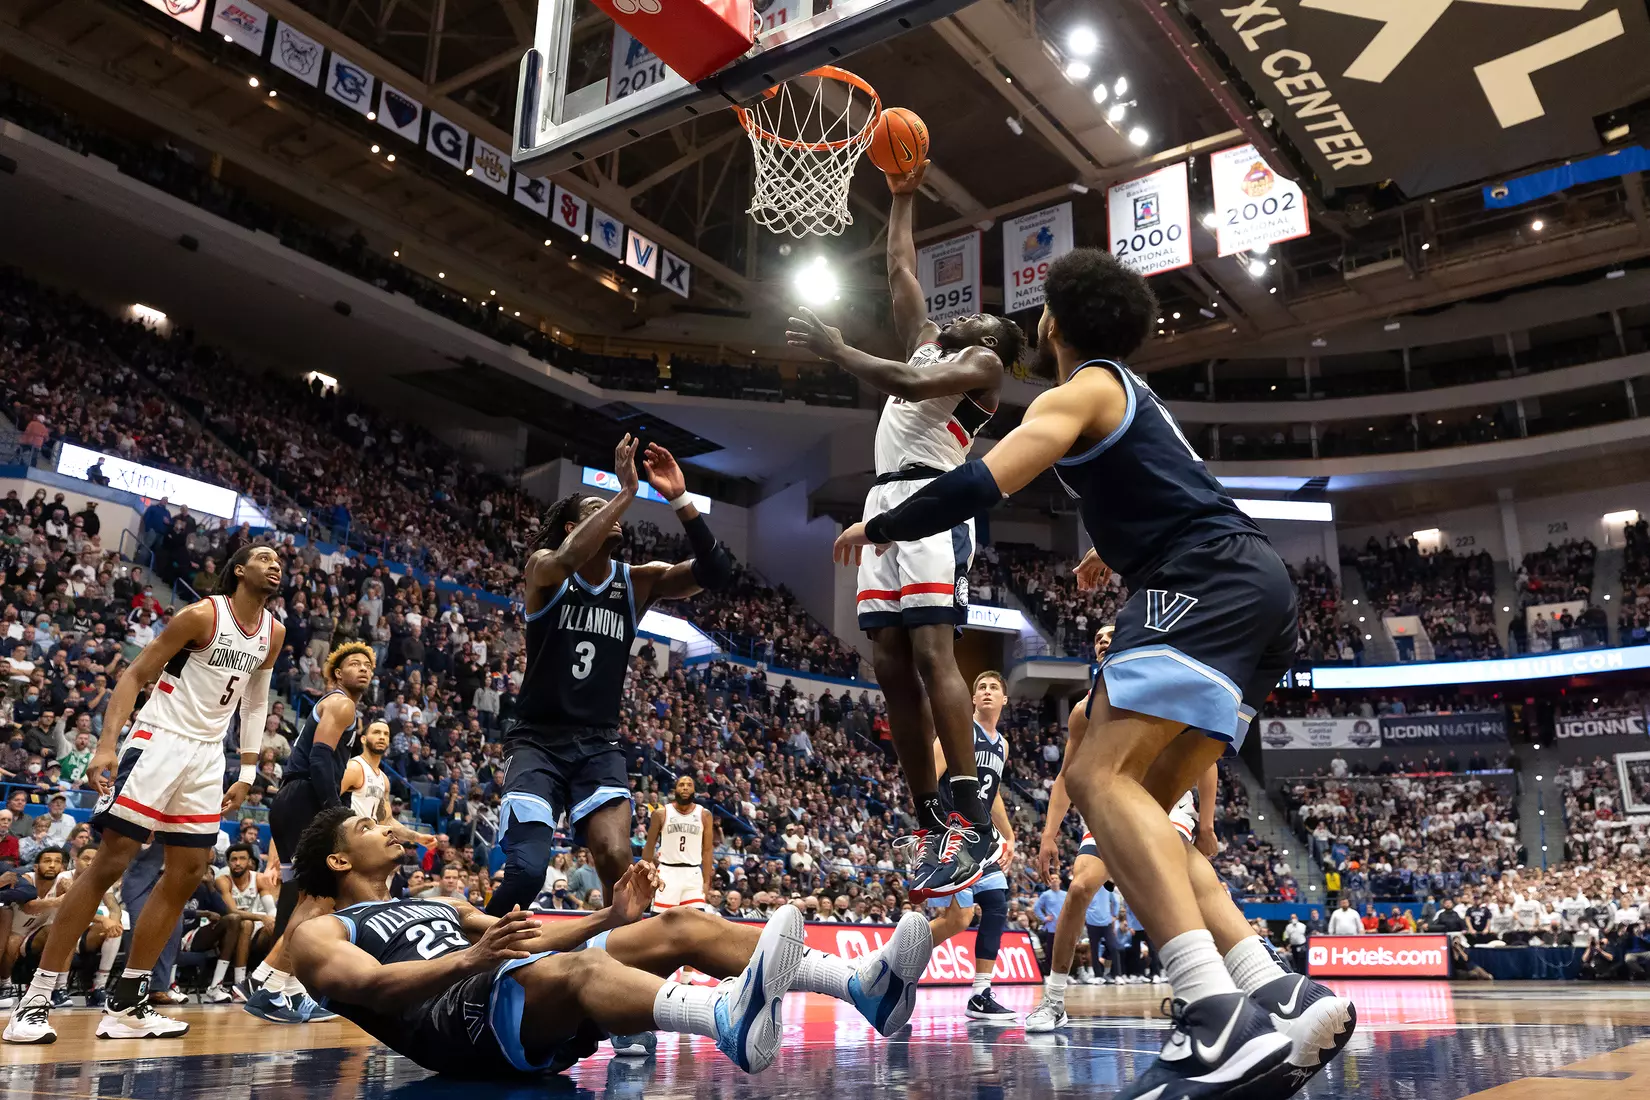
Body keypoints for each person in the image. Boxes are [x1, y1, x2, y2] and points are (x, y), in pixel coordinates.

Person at [819, 247, 1355, 1100]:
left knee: (1094, 776)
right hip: (1257, 594)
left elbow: (979, 483)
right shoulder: (1130, 399)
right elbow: (1167, 484)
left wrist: (879, 524)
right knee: (1141, 816)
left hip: (1201, 580)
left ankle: (1213, 1018)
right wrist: (1112, 544)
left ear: (1053, 325)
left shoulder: (1085, 388)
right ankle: (1273, 990)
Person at [286, 807, 936, 1077]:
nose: (387, 828)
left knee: (686, 925)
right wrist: (473, 959)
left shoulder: (441, 905)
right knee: (569, 971)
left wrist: (608, 917)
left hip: (511, 986)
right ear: (339, 862)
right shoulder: (320, 932)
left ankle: (864, 988)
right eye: (369, 825)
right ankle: (724, 1019)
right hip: (460, 1028)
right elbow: (371, 987)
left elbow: (531, 937)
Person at [785, 162, 1021, 902]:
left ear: (993, 341)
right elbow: (897, 269)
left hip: (933, 505)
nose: (964, 313)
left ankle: (974, 818)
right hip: (884, 508)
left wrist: (838, 352)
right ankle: (931, 823)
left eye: (979, 313)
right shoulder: (927, 338)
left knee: (929, 652)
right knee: (887, 663)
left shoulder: (983, 365)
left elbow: (914, 387)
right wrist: (902, 193)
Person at [6, 544, 283, 1044]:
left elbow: (256, 700)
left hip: (207, 755)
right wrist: (106, 744)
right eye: (263, 556)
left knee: (189, 872)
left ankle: (129, 1001)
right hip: (159, 739)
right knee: (111, 860)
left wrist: (246, 766)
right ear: (240, 570)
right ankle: (36, 998)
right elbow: (135, 675)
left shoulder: (274, 632)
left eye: (278, 558)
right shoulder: (201, 614)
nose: (275, 563)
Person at [488, 435, 731, 920]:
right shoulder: (545, 571)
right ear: (575, 526)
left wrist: (680, 499)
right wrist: (624, 491)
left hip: (598, 744)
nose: (617, 514)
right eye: (602, 509)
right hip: (537, 741)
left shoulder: (638, 581)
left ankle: (617, 972)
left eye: (618, 507)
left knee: (619, 860)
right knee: (527, 872)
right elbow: (563, 558)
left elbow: (717, 572)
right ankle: (467, 961)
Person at [923, 671, 1016, 1020]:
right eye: (982, 687)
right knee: (959, 919)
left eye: (995, 687)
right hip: (952, 832)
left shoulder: (1002, 745)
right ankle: (894, 964)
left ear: (1004, 700)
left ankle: (981, 993)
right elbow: (928, 776)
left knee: (995, 902)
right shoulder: (958, 730)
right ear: (973, 699)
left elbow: (992, 797)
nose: (988, 692)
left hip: (982, 837)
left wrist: (1009, 836)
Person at [204, 844, 275, 1003]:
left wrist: (269, 920)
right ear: (228, 863)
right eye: (233, 859)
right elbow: (232, 911)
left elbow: (271, 912)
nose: (237, 863)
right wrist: (261, 917)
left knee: (276, 928)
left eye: (242, 859)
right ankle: (239, 984)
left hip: (252, 933)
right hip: (227, 933)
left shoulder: (260, 879)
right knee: (245, 923)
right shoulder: (223, 880)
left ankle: (272, 983)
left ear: (250, 861)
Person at [641, 775, 713, 913]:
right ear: (675, 789)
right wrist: (646, 874)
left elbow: (708, 850)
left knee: (695, 921)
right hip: (667, 872)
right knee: (661, 921)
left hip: (693, 874)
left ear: (694, 790)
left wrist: (706, 881)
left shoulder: (705, 815)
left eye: (689, 785)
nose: (685, 787)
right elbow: (650, 845)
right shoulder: (661, 813)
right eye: (681, 784)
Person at [342, 721, 393, 823]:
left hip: (369, 836)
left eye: (386, 734)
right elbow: (327, 801)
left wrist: (416, 836)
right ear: (363, 739)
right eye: (376, 732)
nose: (382, 737)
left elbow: (387, 821)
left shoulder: (384, 780)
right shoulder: (354, 768)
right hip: (348, 835)